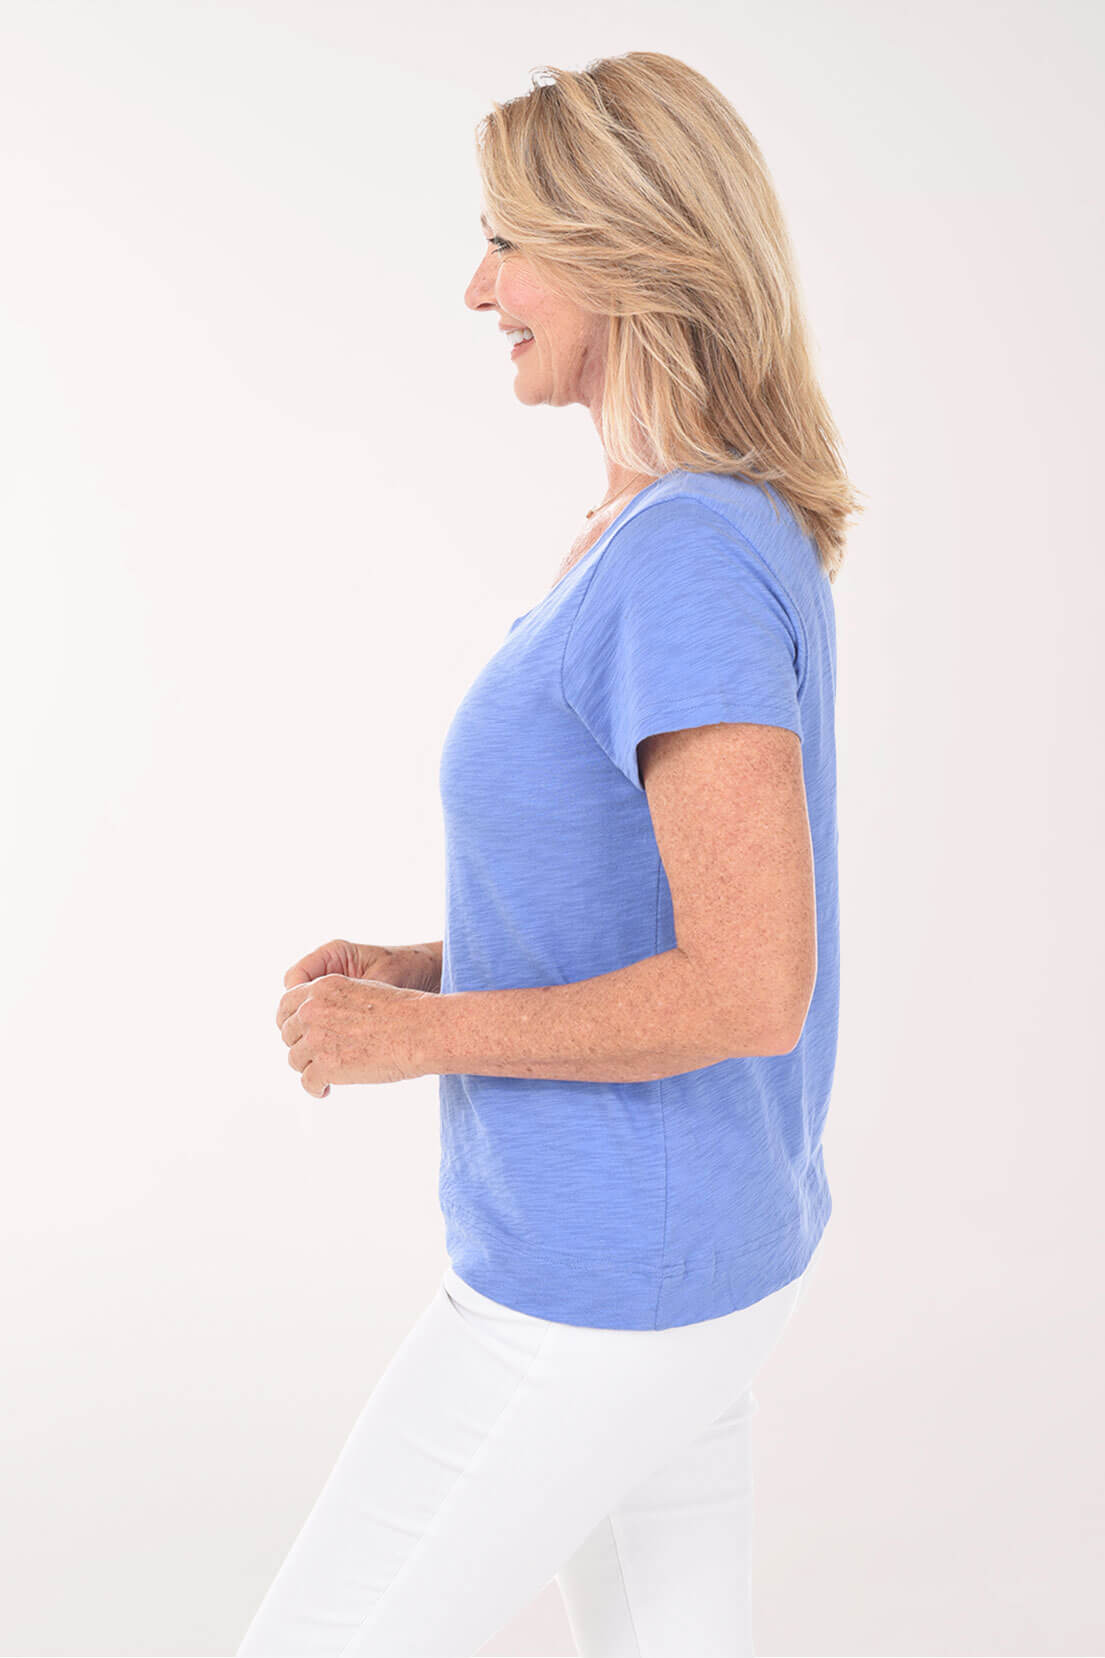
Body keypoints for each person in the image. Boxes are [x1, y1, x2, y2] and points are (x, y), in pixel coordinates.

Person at [240, 48, 863, 1658]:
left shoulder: (689, 559)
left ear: (624, 251)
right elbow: (655, 898)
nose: (477, 286)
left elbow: (747, 982)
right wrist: (431, 961)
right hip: (695, 1256)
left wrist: (418, 1038)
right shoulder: (691, 530)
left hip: (602, 1280)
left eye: (508, 238)